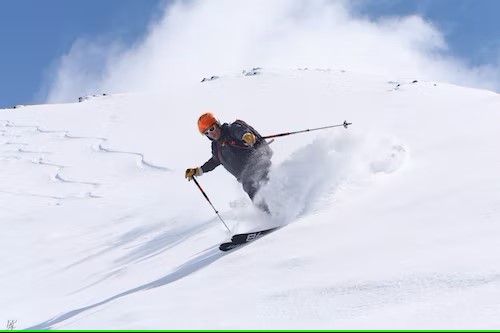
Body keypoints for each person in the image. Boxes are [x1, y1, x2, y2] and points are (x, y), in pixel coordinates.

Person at [185, 112, 273, 212]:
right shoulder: (216, 147)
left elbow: (240, 131)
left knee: (266, 189)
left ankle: (283, 207)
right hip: (246, 179)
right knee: (257, 199)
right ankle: (274, 217)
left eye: (212, 129)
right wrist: (198, 170)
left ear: (217, 124)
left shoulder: (231, 130)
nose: (211, 133)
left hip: (259, 166)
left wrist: (247, 136)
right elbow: (214, 161)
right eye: (207, 133)